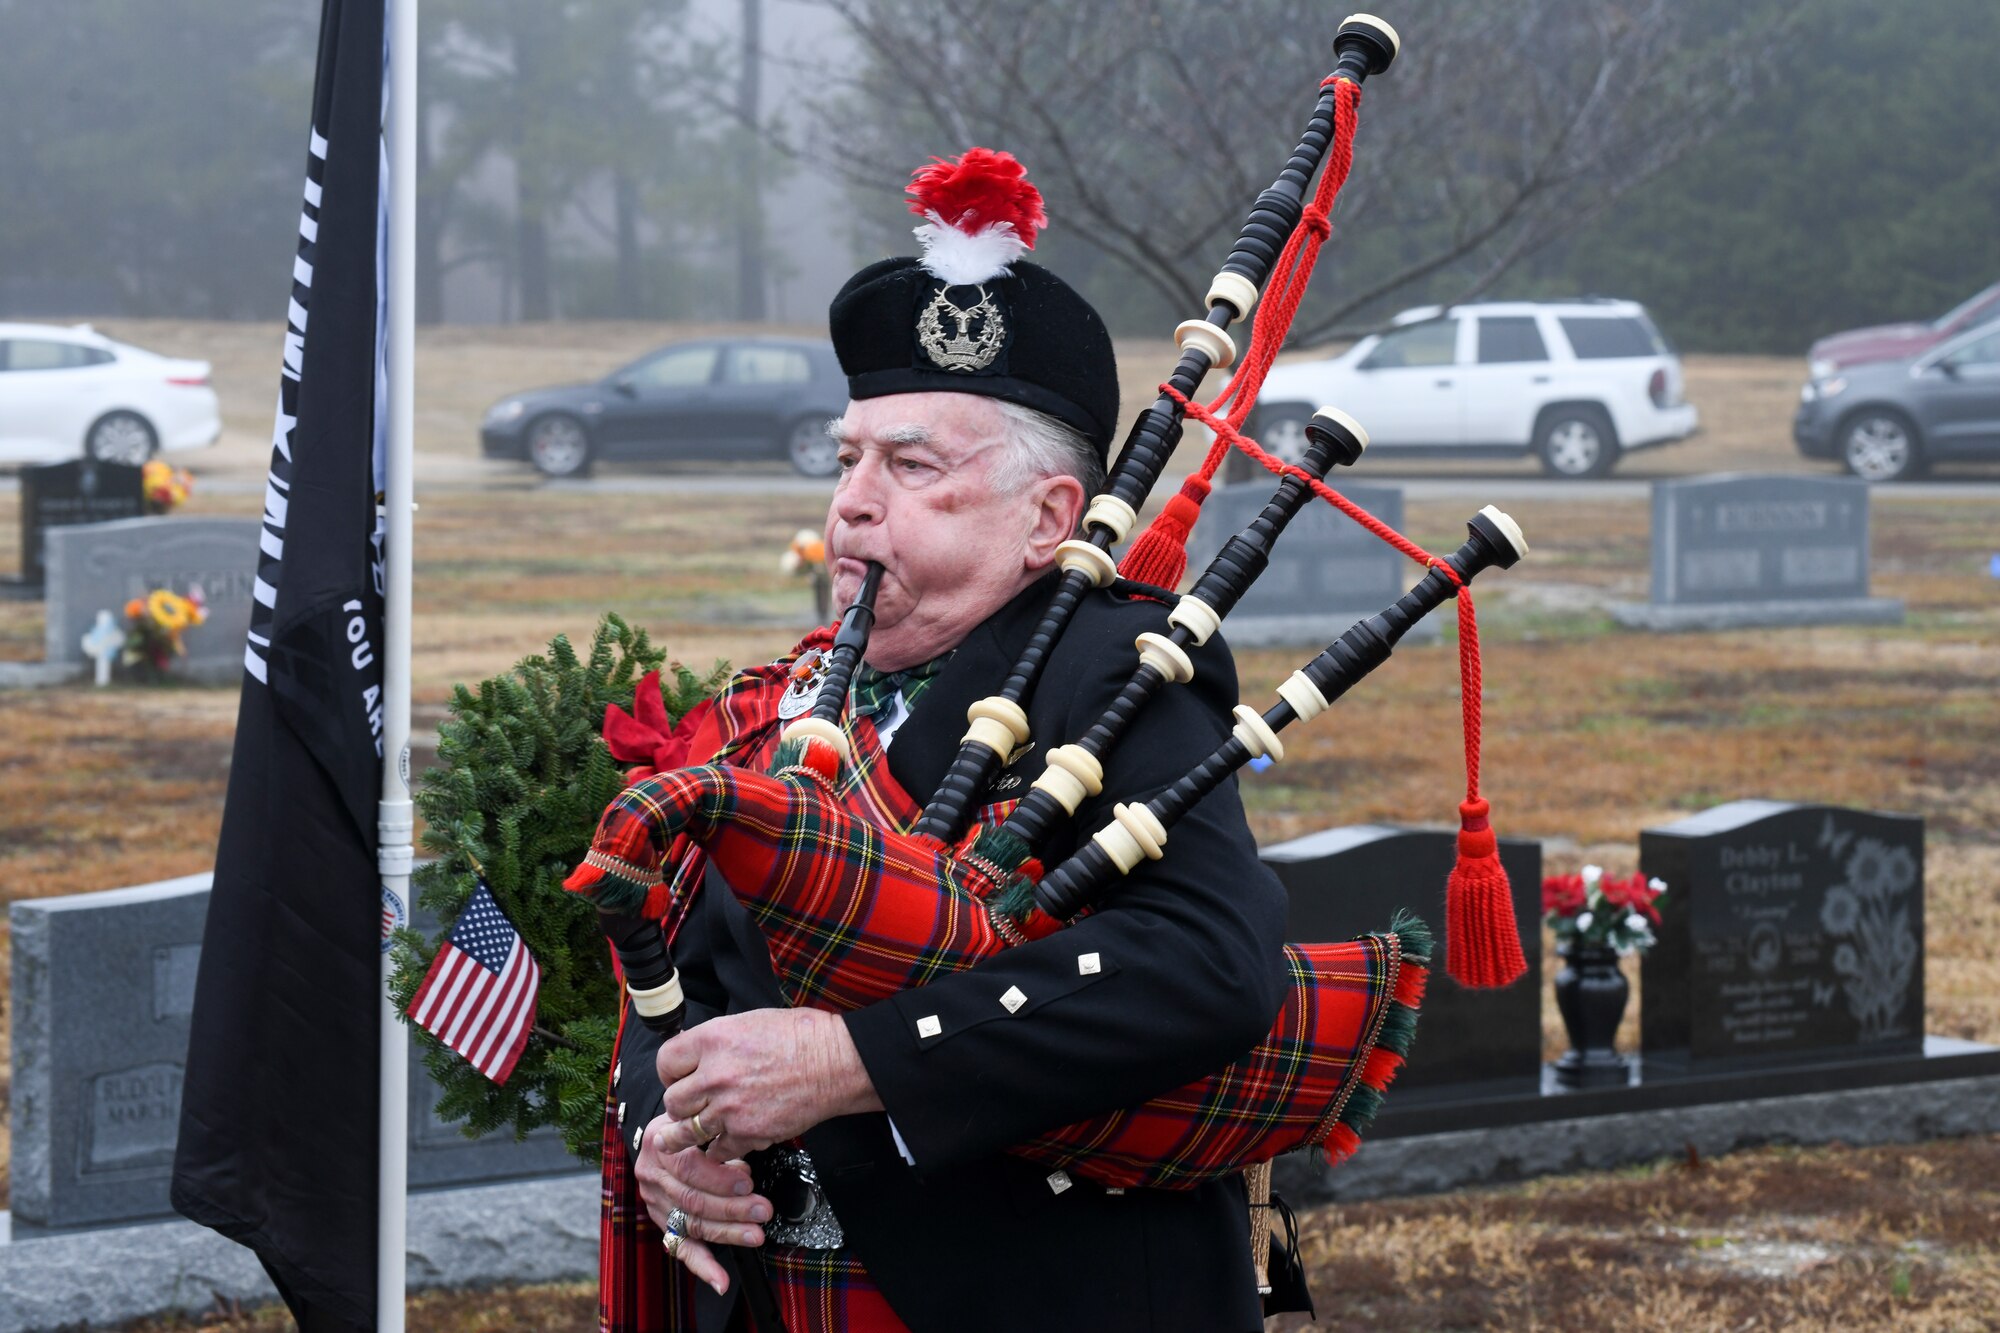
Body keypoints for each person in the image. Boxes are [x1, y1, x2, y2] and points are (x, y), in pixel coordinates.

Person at [597, 151, 1289, 1333]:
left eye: (911, 466)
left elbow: (1209, 965)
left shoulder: (1114, 678)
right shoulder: (787, 700)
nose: (853, 503)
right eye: (847, 459)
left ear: (1047, 521)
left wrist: (852, 1060)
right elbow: (688, 994)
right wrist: (662, 1134)